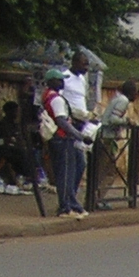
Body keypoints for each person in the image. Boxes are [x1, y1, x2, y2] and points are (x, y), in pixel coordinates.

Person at [39, 66, 88, 218]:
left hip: (59, 138)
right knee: (66, 173)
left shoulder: (47, 96)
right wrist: (79, 135)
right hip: (62, 138)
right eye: (60, 80)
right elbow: (62, 121)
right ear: (52, 81)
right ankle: (65, 207)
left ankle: (71, 203)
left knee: (68, 170)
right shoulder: (57, 99)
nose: (63, 83)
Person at [91, 79, 138, 206]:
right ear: (131, 92)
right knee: (106, 171)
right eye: (135, 92)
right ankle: (96, 199)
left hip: (104, 136)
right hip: (107, 138)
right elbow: (113, 119)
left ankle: (96, 198)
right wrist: (127, 121)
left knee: (104, 170)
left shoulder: (118, 99)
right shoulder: (123, 101)